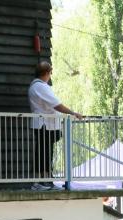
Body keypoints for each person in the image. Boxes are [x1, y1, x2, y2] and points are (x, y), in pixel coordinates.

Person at [28, 61, 83, 191]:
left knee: (43, 152)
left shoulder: (35, 86)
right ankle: (44, 181)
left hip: (44, 125)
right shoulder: (41, 86)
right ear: (47, 73)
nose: (50, 75)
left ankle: (44, 181)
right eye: (50, 73)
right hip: (45, 125)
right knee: (45, 153)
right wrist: (72, 113)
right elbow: (56, 104)